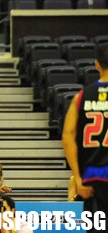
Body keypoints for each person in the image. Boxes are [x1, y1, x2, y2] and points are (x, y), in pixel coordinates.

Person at [62, 42, 108, 232]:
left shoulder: (81, 96)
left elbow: (67, 137)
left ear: (97, 65)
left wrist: (78, 178)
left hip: (92, 178)